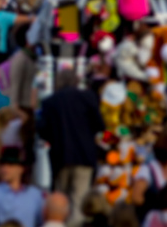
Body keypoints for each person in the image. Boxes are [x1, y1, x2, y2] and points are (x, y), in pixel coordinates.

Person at [38, 70, 101, 223]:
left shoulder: (49, 102)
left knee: (61, 200)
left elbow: (42, 130)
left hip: (60, 156)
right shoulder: (88, 97)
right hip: (85, 156)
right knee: (79, 200)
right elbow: (100, 125)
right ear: (75, 81)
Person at [0, 151, 45, 227]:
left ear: (21, 168)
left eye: (10, 165)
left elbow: (42, 221)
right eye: (2, 165)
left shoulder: (35, 194)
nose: (4, 169)